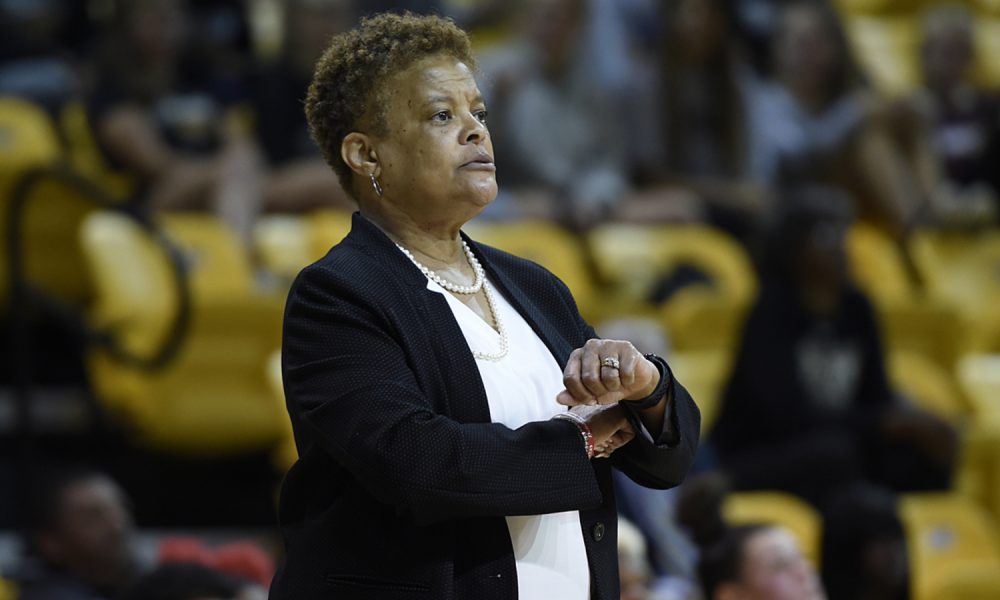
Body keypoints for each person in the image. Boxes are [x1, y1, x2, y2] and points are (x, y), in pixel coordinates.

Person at [270, 12, 700, 599]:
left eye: (479, 112)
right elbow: (423, 465)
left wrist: (644, 387)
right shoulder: (338, 296)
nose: (475, 131)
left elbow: (664, 461)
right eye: (441, 115)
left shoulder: (534, 285)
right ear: (366, 154)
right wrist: (583, 441)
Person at [709, 186, 955, 506]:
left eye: (843, 234)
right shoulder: (770, 312)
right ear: (793, 248)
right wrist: (883, 423)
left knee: (930, 446)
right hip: (762, 451)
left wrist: (907, 421)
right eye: (825, 236)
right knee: (835, 454)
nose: (840, 247)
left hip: (842, 441)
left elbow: (876, 393)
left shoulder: (857, 309)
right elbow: (786, 418)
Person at [17, 468, 138, 600]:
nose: (117, 526)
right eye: (92, 518)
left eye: (120, 510)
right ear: (50, 542)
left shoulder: (145, 582)